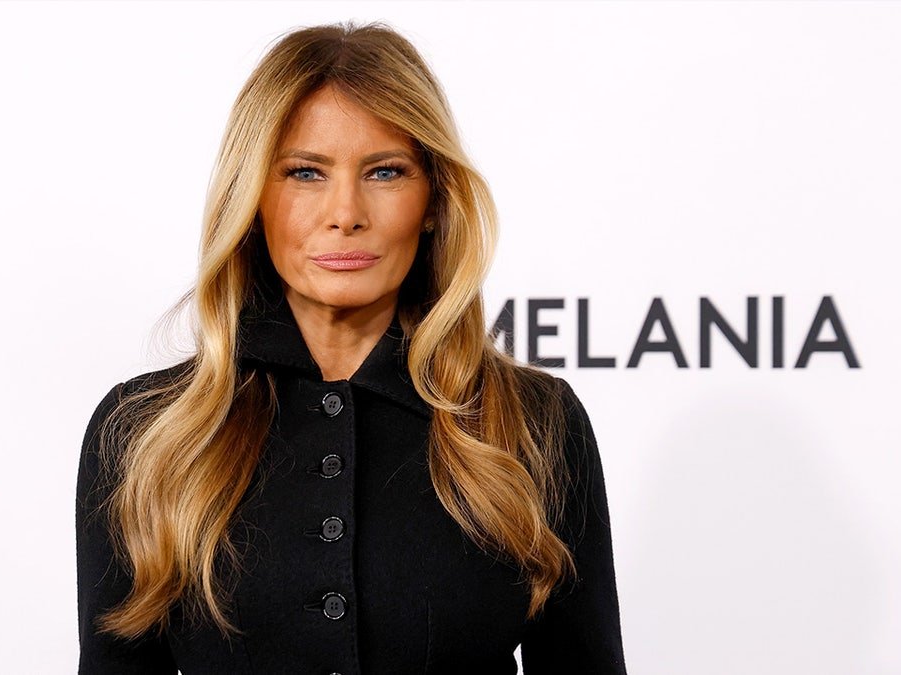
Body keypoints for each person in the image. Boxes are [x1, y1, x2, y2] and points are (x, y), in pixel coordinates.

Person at [76, 21, 626, 675]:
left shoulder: (536, 421)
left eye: (386, 172)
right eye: (305, 172)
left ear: (432, 200)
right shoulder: (144, 430)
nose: (345, 212)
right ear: (253, 198)